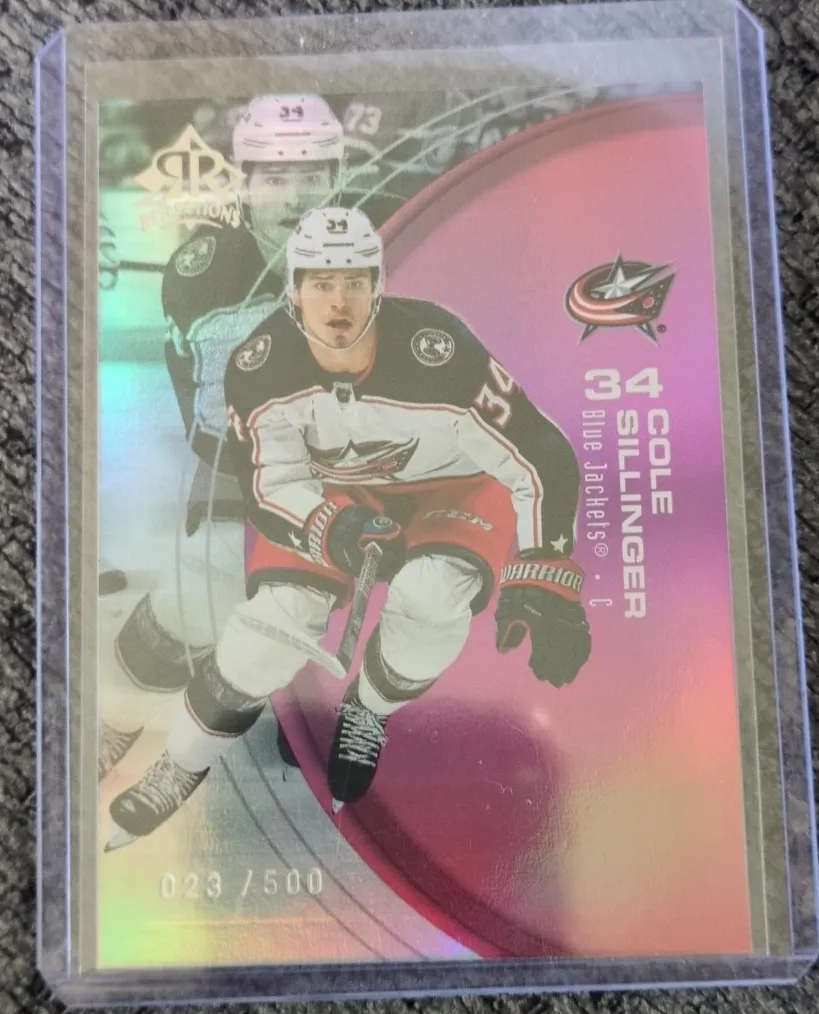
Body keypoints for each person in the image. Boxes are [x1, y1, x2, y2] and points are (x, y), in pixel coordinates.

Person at [106, 207, 591, 849]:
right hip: (338, 490)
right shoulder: (258, 367)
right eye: (321, 282)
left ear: (377, 287)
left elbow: (540, 450)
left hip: (456, 485)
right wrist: (332, 525)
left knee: (430, 600)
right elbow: (271, 483)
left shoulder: (438, 349)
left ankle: (369, 709)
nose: (338, 301)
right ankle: (182, 763)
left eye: (354, 282)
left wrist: (547, 574)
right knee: (270, 631)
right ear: (293, 290)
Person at [98, 95, 346, 780]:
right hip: (247, 477)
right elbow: (221, 428)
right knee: (206, 589)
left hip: (353, 485)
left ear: (337, 178)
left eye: (311, 175)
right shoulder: (210, 269)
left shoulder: (376, 245)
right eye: (275, 176)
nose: (294, 196)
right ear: (245, 183)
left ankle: (291, 713)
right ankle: (119, 713)